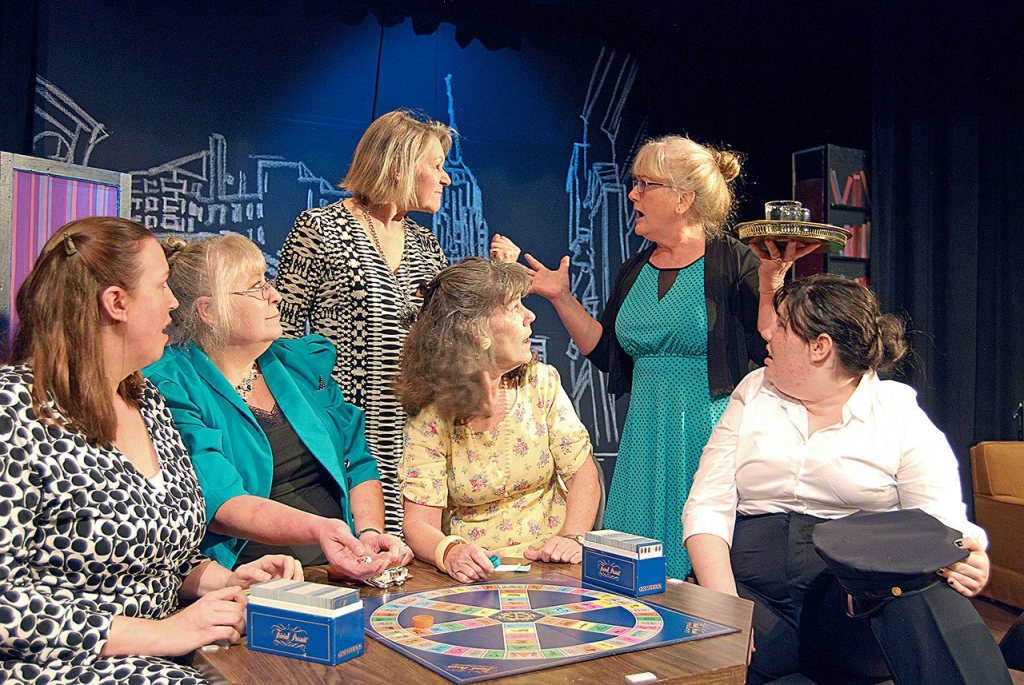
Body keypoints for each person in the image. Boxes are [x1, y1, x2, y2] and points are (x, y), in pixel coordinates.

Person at [0, 218, 301, 684]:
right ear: (116, 303)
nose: (174, 302)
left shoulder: (147, 400)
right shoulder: (15, 411)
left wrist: (225, 579)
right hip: (57, 668)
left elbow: (158, 559)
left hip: (171, 655)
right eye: (161, 285)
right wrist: (164, 634)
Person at [682, 273, 1010, 684]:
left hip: (849, 606)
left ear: (820, 347)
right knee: (682, 631)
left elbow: (940, 521)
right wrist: (725, 607)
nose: (767, 333)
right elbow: (707, 505)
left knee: (932, 597)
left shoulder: (896, 413)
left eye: (782, 326)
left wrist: (967, 556)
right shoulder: (754, 391)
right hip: (754, 599)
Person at [526, 135, 816, 578]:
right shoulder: (635, 269)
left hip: (705, 431)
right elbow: (608, 352)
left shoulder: (732, 261)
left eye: (645, 184)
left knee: (698, 559)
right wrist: (562, 298)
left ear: (684, 199)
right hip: (644, 435)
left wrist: (770, 284)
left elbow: (768, 342)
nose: (633, 194)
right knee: (630, 570)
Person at [276, 109, 518, 536]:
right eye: (437, 166)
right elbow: (284, 336)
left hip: (410, 435)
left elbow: (452, 338)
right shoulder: (320, 229)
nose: (446, 179)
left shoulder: (427, 246)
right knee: (344, 553)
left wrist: (504, 281)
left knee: (401, 559)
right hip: (339, 432)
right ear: (400, 164)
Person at [144, 233, 412, 579]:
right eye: (256, 288)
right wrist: (321, 531)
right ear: (209, 311)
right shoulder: (173, 384)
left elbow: (356, 461)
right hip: (250, 576)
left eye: (267, 282)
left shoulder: (300, 364)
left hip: (340, 565)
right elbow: (220, 501)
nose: (275, 295)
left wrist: (369, 536)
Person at [396, 258, 600, 584]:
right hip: (479, 576)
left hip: (554, 567)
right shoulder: (434, 415)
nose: (529, 316)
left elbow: (582, 474)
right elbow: (419, 523)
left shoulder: (540, 382)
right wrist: (449, 552)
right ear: (477, 330)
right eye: (514, 307)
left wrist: (573, 539)